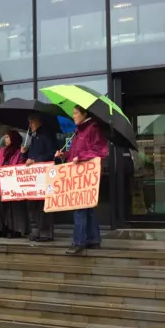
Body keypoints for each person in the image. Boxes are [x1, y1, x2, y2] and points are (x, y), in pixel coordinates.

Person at [55, 107, 109, 255]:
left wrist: (82, 157)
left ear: (84, 114)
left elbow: (101, 150)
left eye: (75, 113)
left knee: (79, 208)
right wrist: (64, 155)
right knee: (87, 208)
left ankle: (78, 242)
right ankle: (93, 240)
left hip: (87, 174)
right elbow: (75, 154)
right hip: (79, 174)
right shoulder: (78, 131)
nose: (73, 116)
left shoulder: (93, 129)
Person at [22, 114, 58, 242]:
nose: (30, 125)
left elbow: (51, 154)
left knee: (43, 205)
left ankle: (46, 233)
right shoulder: (32, 137)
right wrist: (24, 154)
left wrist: (36, 160)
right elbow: (30, 157)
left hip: (44, 175)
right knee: (33, 205)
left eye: (31, 122)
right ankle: (36, 231)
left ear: (39, 122)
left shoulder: (46, 136)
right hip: (34, 177)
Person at [0, 131, 29, 239]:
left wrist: (23, 155)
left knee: (13, 208)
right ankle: (2, 228)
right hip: (2, 182)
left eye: (8, 137)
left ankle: (15, 229)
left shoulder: (20, 152)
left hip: (14, 184)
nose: (5, 139)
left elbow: (21, 167)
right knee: (1, 207)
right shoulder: (2, 151)